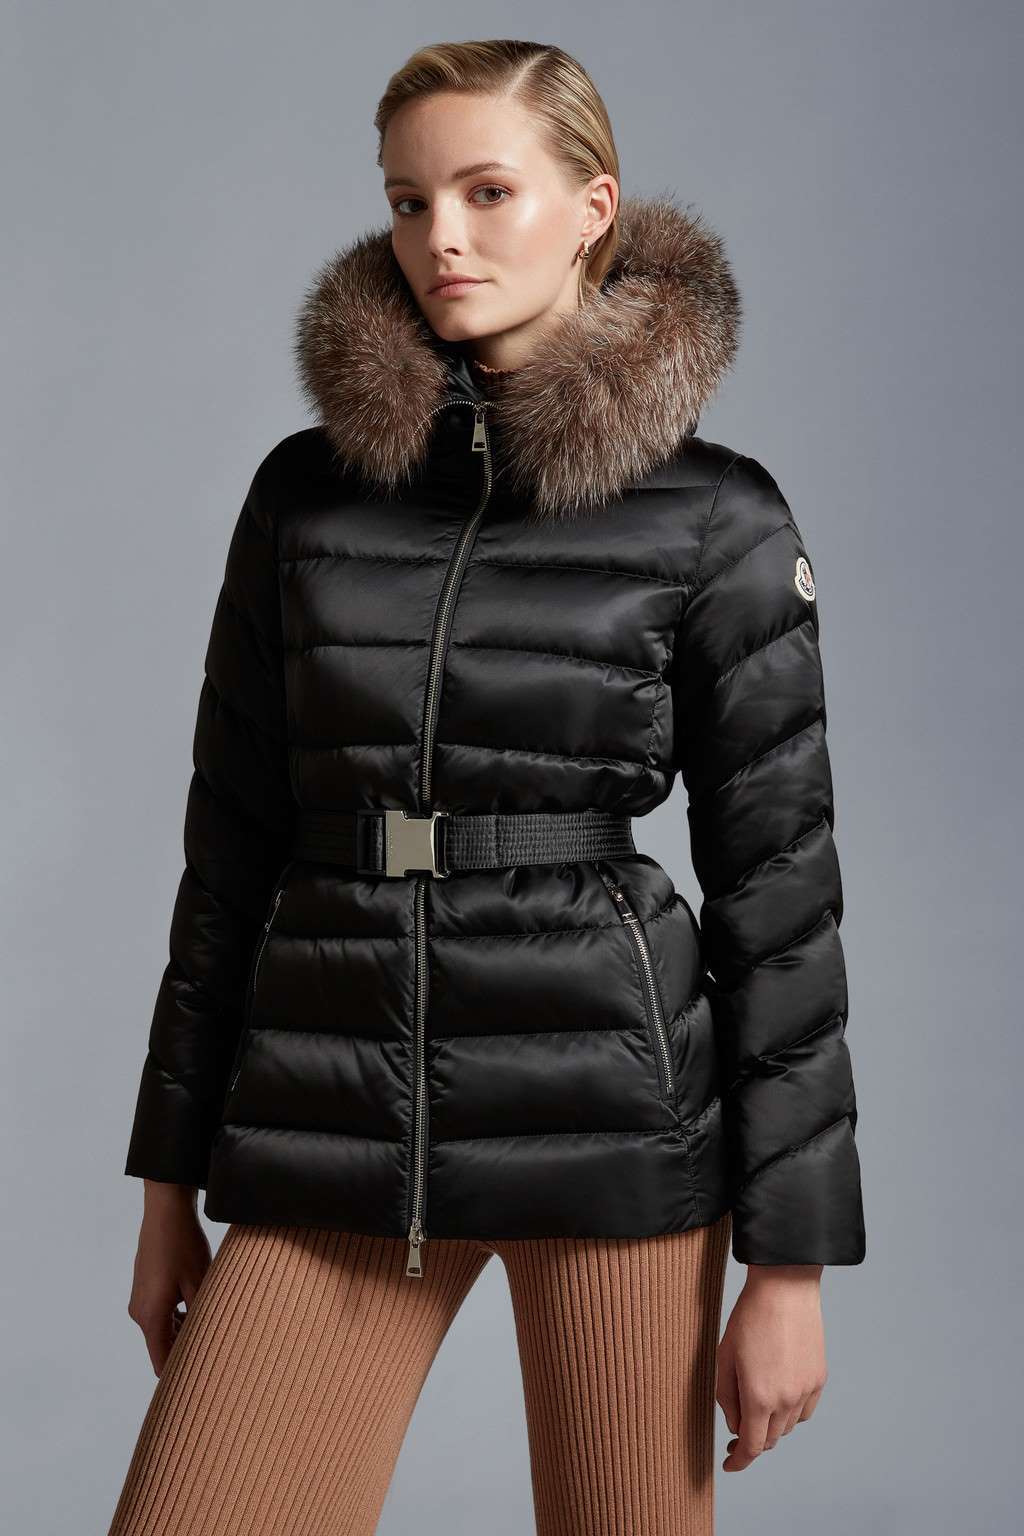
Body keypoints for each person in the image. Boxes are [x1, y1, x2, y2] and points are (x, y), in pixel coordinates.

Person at [109, 37, 866, 1536]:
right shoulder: (305, 495)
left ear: (594, 207)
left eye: (486, 191)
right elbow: (229, 851)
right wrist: (165, 1189)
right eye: (408, 201)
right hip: (331, 1107)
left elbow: (782, 902)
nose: (439, 237)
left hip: (615, 1117)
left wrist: (790, 1267)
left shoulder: (715, 515)